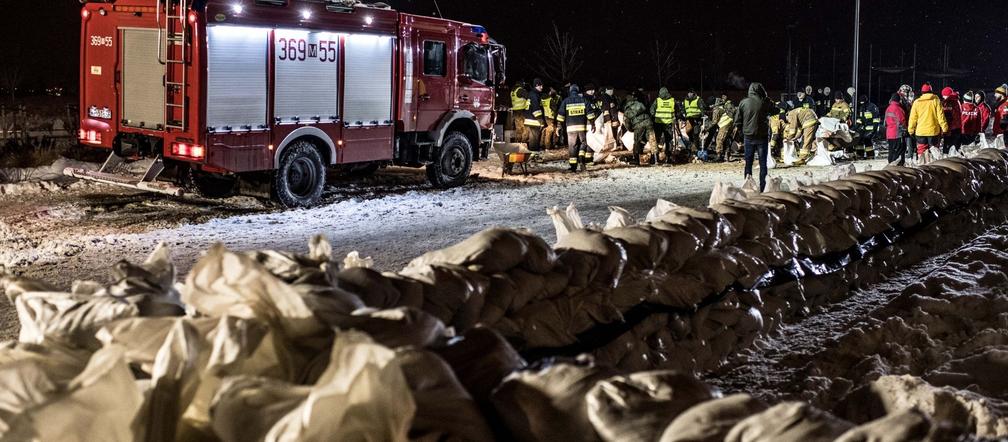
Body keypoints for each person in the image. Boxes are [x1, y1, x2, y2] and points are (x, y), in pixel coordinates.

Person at [733, 82, 772, 191]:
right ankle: (763, 187)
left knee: (748, 163)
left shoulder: (743, 102)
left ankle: (748, 186)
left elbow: (737, 121)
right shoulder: (765, 102)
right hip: (762, 137)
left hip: (748, 137)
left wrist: (741, 134)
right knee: (763, 163)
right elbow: (775, 110)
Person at [556, 84, 597, 172]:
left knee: (572, 146)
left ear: (570, 91)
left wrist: (558, 127)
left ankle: (573, 167)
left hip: (570, 129)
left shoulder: (565, 101)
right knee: (583, 143)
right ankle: (582, 159)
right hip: (582, 128)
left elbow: (560, 116)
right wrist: (593, 124)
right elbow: (590, 114)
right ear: (578, 91)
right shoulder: (583, 100)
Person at [908, 83, 949, 164]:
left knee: (921, 152)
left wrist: (911, 130)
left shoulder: (916, 102)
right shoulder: (936, 101)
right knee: (933, 151)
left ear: (922, 92)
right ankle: (934, 168)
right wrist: (945, 128)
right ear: (931, 91)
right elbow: (941, 116)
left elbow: (912, 118)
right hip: (933, 132)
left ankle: (922, 168)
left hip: (920, 132)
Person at [622, 92, 653, 166]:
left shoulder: (627, 109)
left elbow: (627, 123)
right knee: (652, 139)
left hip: (638, 125)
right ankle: (655, 158)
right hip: (649, 122)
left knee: (637, 141)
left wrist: (631, 129)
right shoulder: (640, 104)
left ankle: (636, 159)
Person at [650, 87, 678, 164]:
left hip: (658, 123)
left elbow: (652, 111)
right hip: (668, 123)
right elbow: (677, 111)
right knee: (668, 141)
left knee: (656, 140)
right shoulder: (672, 100)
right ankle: (668, 158)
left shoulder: (657, 100)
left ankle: (654, 158)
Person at [884, 93, 908, 164]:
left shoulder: (888, 108)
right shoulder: (898, 109)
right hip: (897, 133)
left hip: (889, 133)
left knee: (891, 150)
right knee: (899, 150)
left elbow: (885, 122)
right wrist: (905, 130)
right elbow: (902, 121)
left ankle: (890, 164)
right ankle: (896, 165)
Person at [854, 95, 880, 159]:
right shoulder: (862, 108)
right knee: (859, 139)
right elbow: (860, 119)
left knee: (867, 140)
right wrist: (855, 128)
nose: (862, 104)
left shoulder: (872, 107)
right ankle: (860, 155)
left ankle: (870, 155)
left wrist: (874, 129)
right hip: (864, 128)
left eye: (863, 102)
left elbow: (876, 119)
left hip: (871, 128)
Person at [711, 97, 737, 161]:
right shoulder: (724, 108)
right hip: (730, 123)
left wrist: (706, 128)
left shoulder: (717, 109)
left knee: (719, 139)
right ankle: (726, 155)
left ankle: (719, 156)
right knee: (726, 140)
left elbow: (714, 121)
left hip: (725, 124)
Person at [524, 79, 546, 151]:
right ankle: (534, 155)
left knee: (533, 139)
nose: (542, 87)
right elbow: (536, 109)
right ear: (536, 85)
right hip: (534, 120)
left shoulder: (531, 94)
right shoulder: (534, 95)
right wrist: (541, 121)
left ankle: (533, 155)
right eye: (540, 86)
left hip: (530, 119)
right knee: (535, 140)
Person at [940, 87, 962, 154]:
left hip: (951, 129)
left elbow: (947, 116)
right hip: (957, 128)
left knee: (947, 150)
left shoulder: (949, 102)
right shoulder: (956, 100)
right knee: (956, 149)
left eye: (943, 95)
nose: (943, 97)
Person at [683, 89, 705, 157]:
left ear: (693, 93)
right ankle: (691, 148)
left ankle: (696, 150)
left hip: (696, 119)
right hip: (689, 119)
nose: (689, 94)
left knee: (695, 134)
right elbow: (684, 109)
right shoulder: (685, 100)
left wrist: (702, 118)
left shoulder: (698, 99)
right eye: (689, 93)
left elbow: (702, 109)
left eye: (691, 93)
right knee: (689, 133)